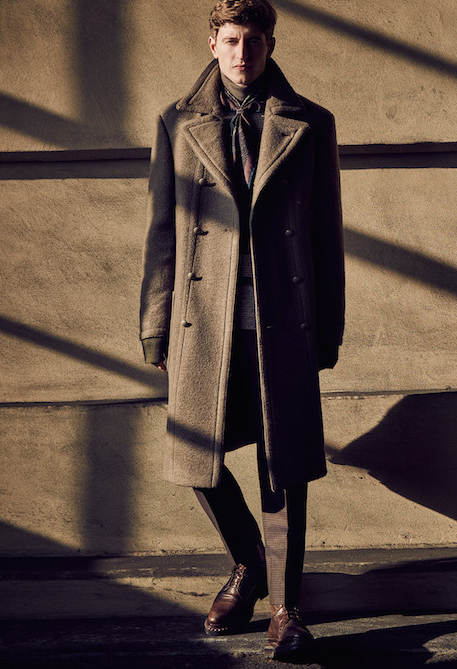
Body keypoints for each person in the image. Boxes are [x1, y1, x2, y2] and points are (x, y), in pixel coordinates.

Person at [138, 0, 344, 660]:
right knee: (196, 457)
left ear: (270, 42)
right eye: (231, 40)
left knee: (282, 465)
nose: (242, 53)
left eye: (253, 40)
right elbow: (163, 233)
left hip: (282, 319)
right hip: (204, 320)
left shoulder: (310, 123)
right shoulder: (177, 122)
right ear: (213, 43)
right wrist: (155, 327)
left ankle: (286, 609)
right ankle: (250, 563)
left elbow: (326, 234)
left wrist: (329, 328)